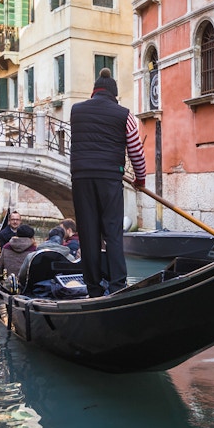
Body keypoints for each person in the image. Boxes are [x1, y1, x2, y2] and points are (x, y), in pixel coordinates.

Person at [70, 67, 146, 297]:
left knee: (88, 233)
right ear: (114, 95)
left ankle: (93, 289)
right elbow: (136, 151)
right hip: (109, 178)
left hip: (81, 177)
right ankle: (117, 287)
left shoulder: (76, 111)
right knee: (112, 232)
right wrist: (139, 179)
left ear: (94, 92)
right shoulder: (124, 114)